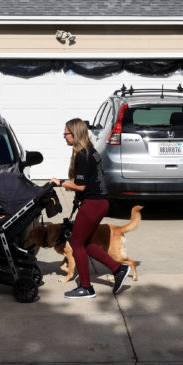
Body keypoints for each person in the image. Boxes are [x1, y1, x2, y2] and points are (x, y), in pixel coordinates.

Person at [50, 118, 131, 299]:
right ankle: (118, 269)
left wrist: (60, 182)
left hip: (93, 204)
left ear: (75, 134)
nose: (64, 137)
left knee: (76, 243)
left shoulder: (82, 156)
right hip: (98, 202)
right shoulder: (91, 151)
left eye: (66, 134)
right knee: (85, 243)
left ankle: (86, 288)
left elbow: (81, 186)